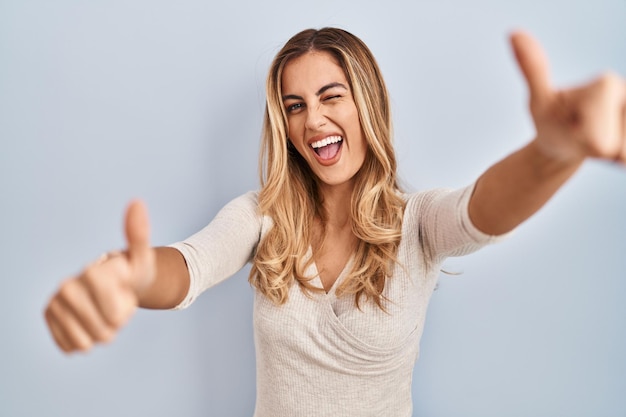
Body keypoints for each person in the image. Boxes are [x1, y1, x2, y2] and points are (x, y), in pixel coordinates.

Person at [44, 27, 625, 416]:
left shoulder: (418, 223)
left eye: (331, 96)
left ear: (366, 104)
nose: (312, 120)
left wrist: (552, 153)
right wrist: (127, 275)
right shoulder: (260, 218)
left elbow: (483, 209)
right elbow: (189, 266)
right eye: (294, 106)